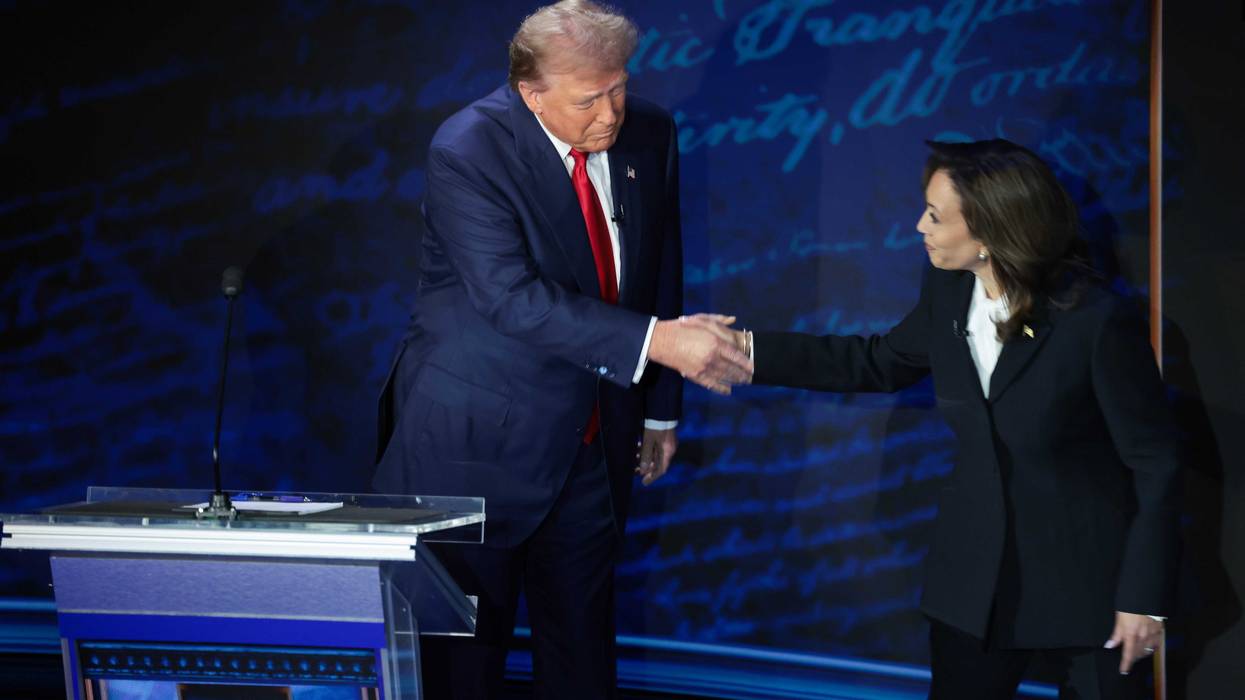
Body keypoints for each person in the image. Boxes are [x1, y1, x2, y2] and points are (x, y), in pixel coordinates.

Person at [372, 1, 750, 698]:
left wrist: (658, 412)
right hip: (474, 446)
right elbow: (508, 296)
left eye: (618, 87)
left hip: (593, 437)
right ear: (530, 92)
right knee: (463, 667)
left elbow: (659, 266)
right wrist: (660, 343)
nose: (610, 113)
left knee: (580, 655)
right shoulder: (468, 149)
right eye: (588, 99)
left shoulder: (649, 131)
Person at [721, 139, 1182, 699]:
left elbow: (1155, 462)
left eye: (936, 216)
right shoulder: (947, 288)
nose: (920, 226)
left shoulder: (1094, 320)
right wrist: (745, 351)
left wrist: (1142, 598)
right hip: (974, 583)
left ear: (991, 233)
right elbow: (877, 362)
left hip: (1090, 590)